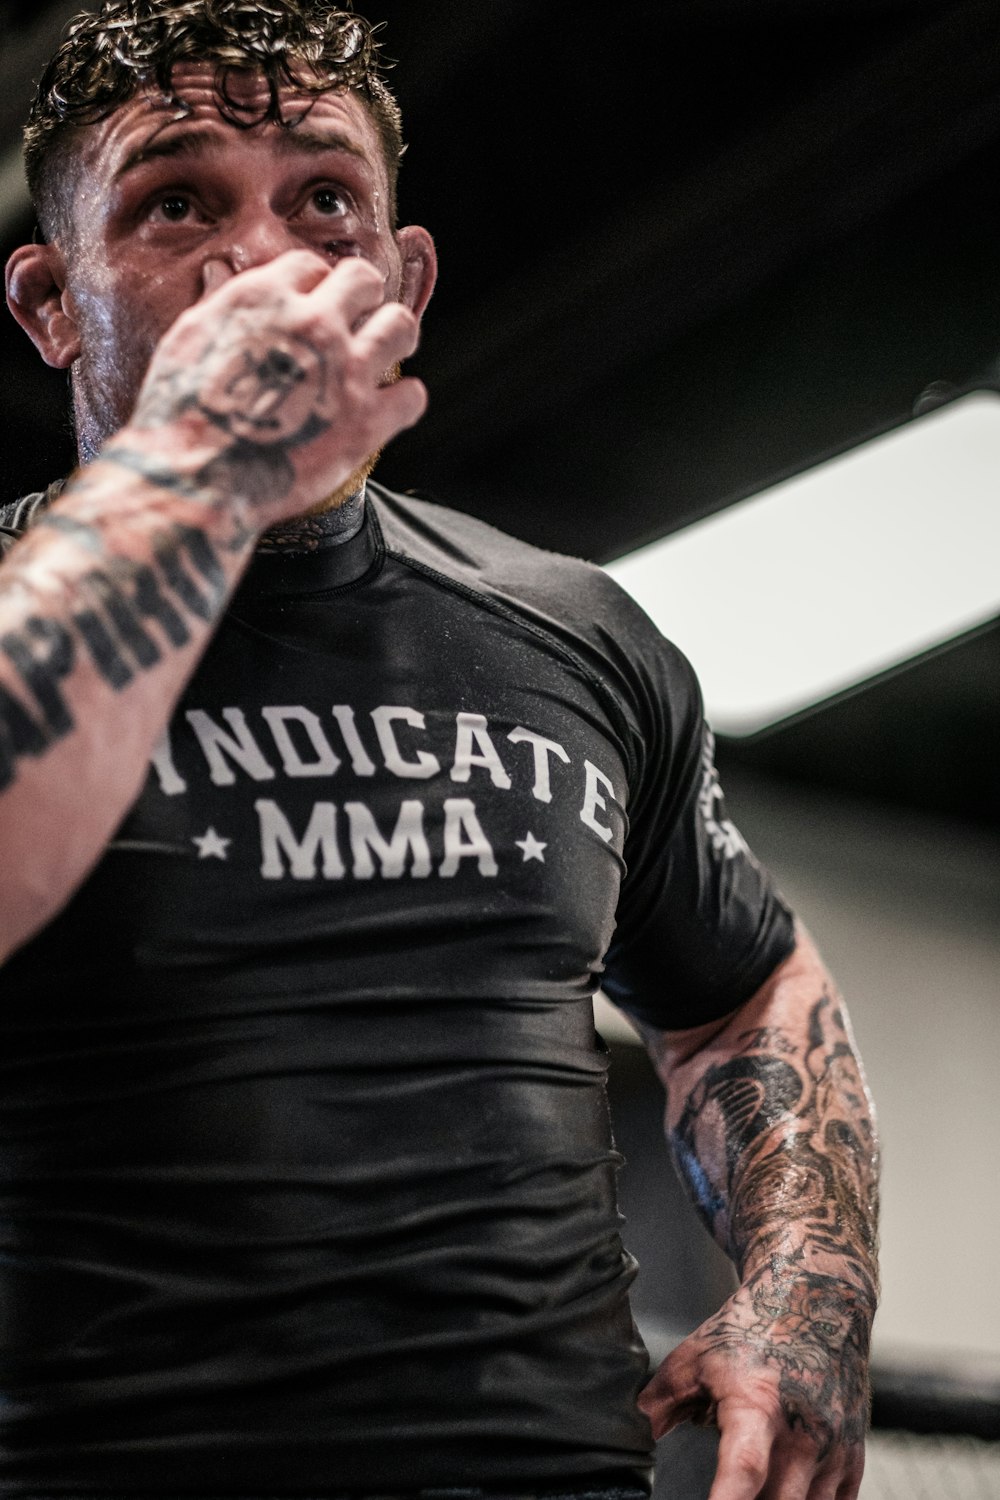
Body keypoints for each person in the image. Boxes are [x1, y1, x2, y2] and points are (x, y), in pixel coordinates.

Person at [0, 3, 879, 1498]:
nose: (265, 261)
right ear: (52, 305)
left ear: (403, 279)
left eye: (324, 201)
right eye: (174, 203)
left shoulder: (577, 633)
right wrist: (202, 461)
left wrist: (811, 1289)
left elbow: (745, 990)